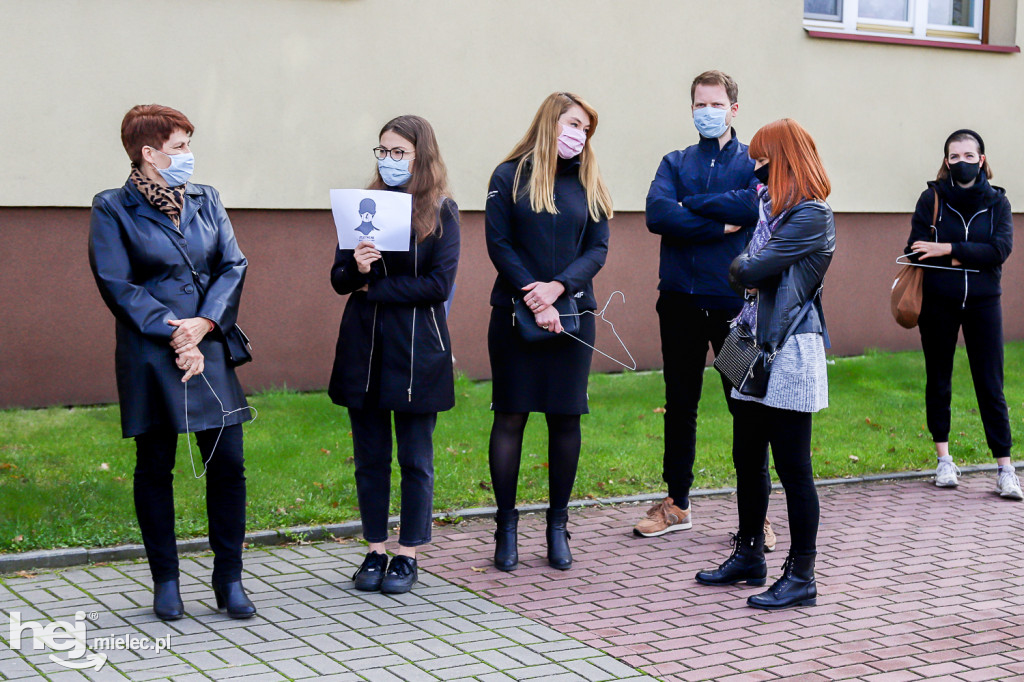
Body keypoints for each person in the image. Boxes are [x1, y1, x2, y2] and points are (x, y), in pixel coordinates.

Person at [89, 104, 255, 621]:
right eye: (179, 147)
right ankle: (166, 581)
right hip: (150, 352)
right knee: (155, 467)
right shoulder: (111, 207)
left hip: (209, 342)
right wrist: (173, 331)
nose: (188, 156)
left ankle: (229, 579)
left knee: (227, 465)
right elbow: (118, 283)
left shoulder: (207, 200)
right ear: (149, 153)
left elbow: (232, 264)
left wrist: (203, 325)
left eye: (187, 145)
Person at [687, 118, 835, 610]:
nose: (755, 166)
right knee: (745, 453)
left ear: (785, 159)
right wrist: (748, 273)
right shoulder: (768, 209)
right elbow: (746, 275)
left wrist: (748, 272)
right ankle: (748, 553)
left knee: (794, 465)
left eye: (763, 157)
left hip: (789, 346)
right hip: (744, 336)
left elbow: (747, 267)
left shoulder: (811, 215)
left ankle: (803, 575)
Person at [638, 70, 776, 550]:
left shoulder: (750, 164)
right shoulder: (674, 161)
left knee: (746, 403)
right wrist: (714, 223)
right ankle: (676, 504)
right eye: (699, 103)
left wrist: (690, 207)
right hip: (678, 303)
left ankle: (755, 515)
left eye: (715, 103)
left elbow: (751, 208)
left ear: (734, 109)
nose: (707, 111)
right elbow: (657, 213)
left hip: (734, 309)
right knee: (680, 403)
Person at [329, 115, 460, 594]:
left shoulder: (442, 210)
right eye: (382, 151)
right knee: (369, 457)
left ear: (420, 155)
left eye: (398, 152)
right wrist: (356, 269)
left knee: (415, 458)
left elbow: (437, 285)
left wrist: (375, 284)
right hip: (364, 346)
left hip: (416, 350)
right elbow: (339, 279)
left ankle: (408, 554)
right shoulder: (363, 206)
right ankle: (374, 548)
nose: (389, 160)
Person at [485, 92, 612, 572]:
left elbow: (598, 249)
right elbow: (498, 243)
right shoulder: (508, 175)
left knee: (565, 419)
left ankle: (557, 526)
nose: (578, 135)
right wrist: (532, 295)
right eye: (572, 124)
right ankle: (506, 525)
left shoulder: (589, 180)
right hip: (514, 314)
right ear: (549, 124)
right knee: (511, 417)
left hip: (573, 315)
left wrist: (558, 289)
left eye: (585, 128)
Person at [905, 129, 1020, 499]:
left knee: (991, 384)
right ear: (946, 161)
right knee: (938, 379)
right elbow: (917, 249)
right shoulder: (932, 198)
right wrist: (964, 254)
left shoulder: (998, 203)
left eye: (969, 156)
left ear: (982, 160)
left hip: (985, 302)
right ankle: (943, 461)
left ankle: (1005, 468)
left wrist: (948, 251)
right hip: (938, 302)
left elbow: (999, 250)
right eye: (955, 157)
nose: (962, 162)